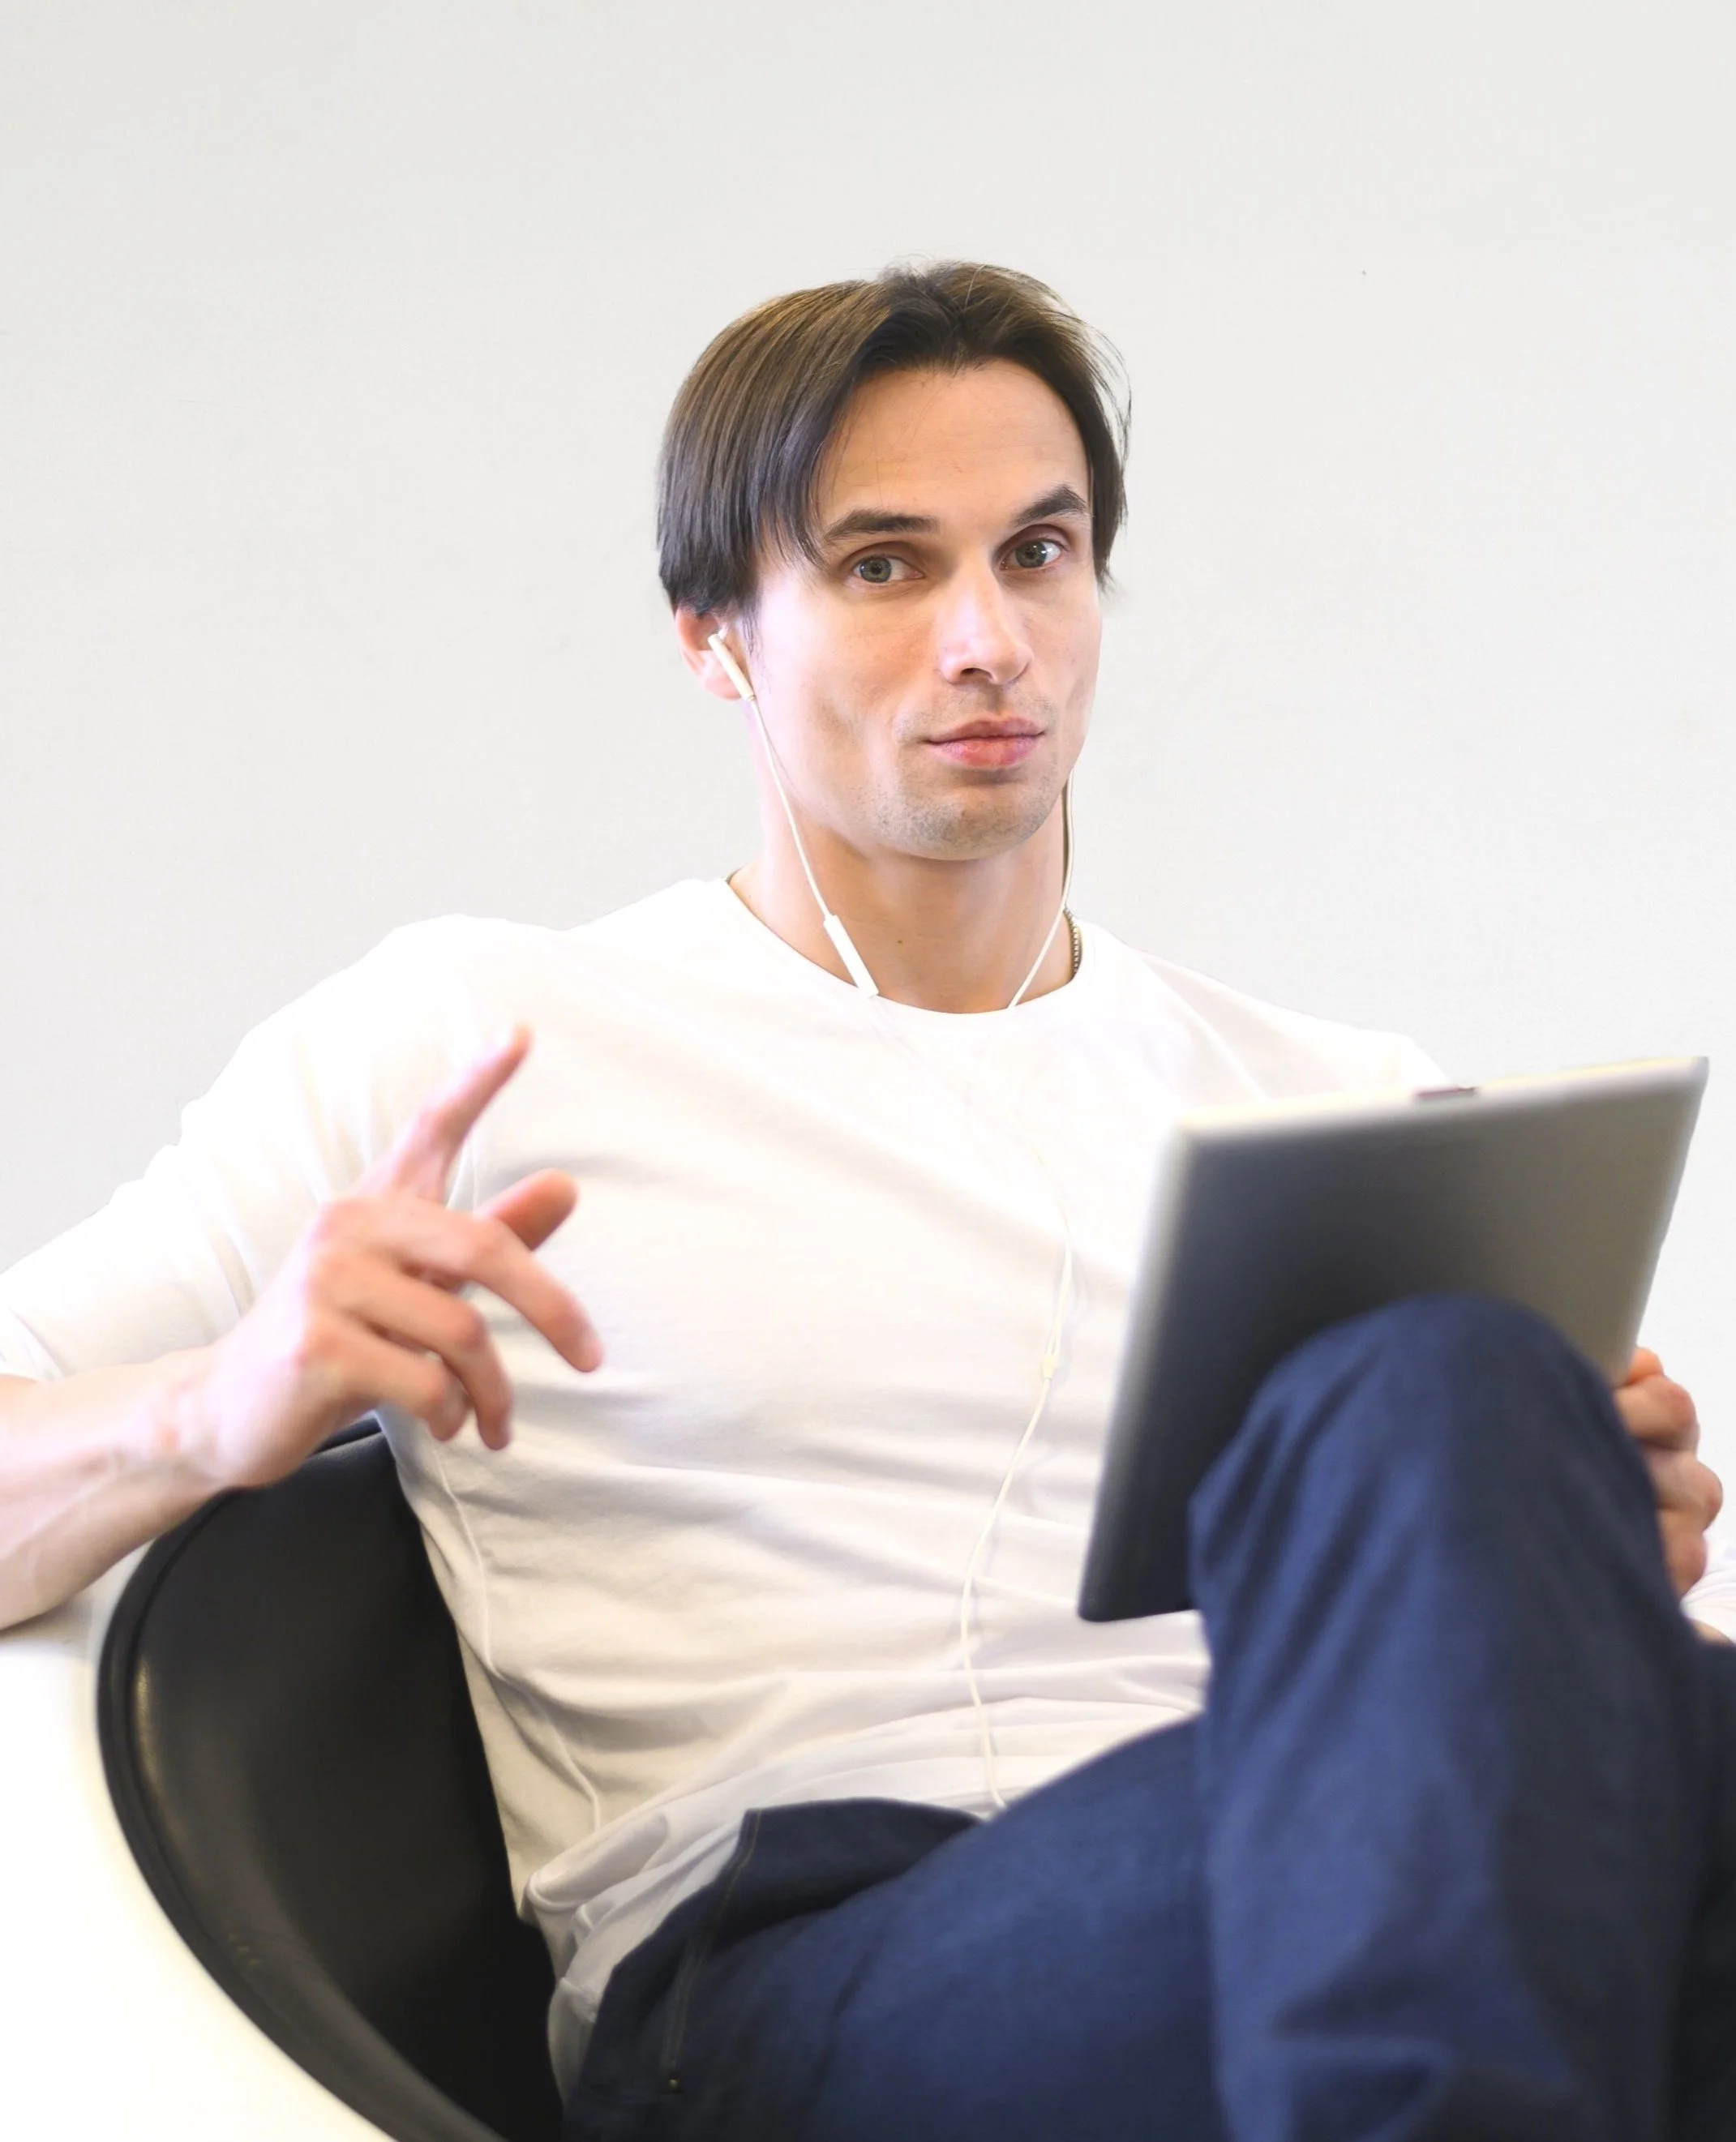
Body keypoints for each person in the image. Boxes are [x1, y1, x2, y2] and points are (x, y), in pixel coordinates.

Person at [0, 262, 1730, 2141]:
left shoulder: (1339, 1097)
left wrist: (1551, 1565)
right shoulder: (479, 1033)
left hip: (1315, 1867)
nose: (986, 638)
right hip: (802, 1983)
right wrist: (205, 1403)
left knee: (1466, 1416)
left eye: (1039, 552)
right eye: (885, 565)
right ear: (714, 635)